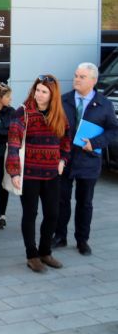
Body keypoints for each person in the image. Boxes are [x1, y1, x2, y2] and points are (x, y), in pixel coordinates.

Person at [7, 74, 71, 272]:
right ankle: (32, 255)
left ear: (53, 95)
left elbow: (66, 140)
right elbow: (13, 144)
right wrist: (15, 172)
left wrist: (63, 160)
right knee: (30, 214)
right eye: (38, 90)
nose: (39, 95)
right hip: (29, 175)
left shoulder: (59, 114)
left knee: (53, 214)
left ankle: (45, 252)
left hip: (52, 174)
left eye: (44, 92)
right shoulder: (23, 112)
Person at [55, 63, 118, 256]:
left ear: (93, 80)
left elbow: (114, 130)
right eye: (76, 75)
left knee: (85, 202)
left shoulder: (104, 104)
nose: (77, 79)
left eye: (82, 77)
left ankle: (82, 240)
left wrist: (95, 142)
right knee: (61, 200)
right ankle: (60, 236)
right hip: (64, 160)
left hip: (89, 161)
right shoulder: (63, 100)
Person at [0, 82, 14, 228]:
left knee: (4, 185)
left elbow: (13, 132)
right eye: (8, 96)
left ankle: (2, 214)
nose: (10, 99)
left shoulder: (12, 112)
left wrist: (0, 134)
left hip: (4, 155)